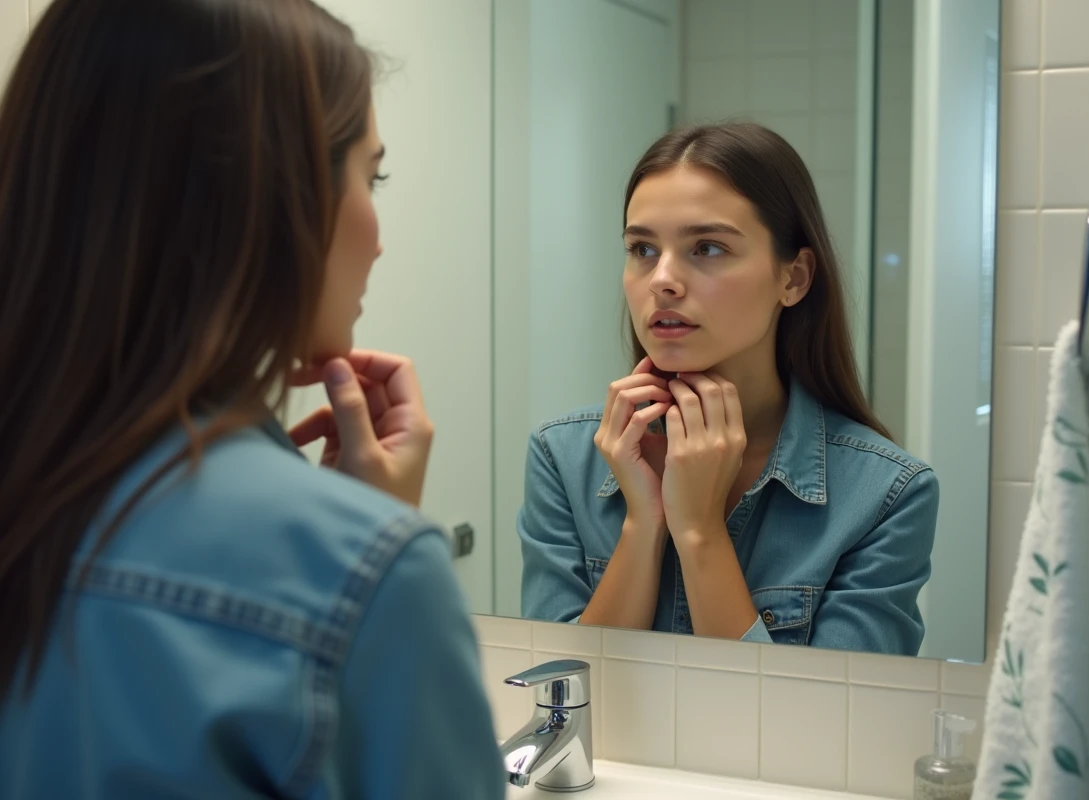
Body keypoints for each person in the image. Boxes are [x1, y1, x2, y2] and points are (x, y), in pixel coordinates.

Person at [0, 1, 503, 797]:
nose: (379, 237)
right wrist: (366, 560)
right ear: (269, 197)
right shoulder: (367, 575)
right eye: (371, 177)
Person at [518, 122, 939, 655]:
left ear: (794, 278)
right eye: (642, 248)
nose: (662, 280)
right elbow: (558, 687)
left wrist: (699, 533)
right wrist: (642, 525)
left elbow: (832, 711)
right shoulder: (562, 458)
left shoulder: (886, 494)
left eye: (708, 248)